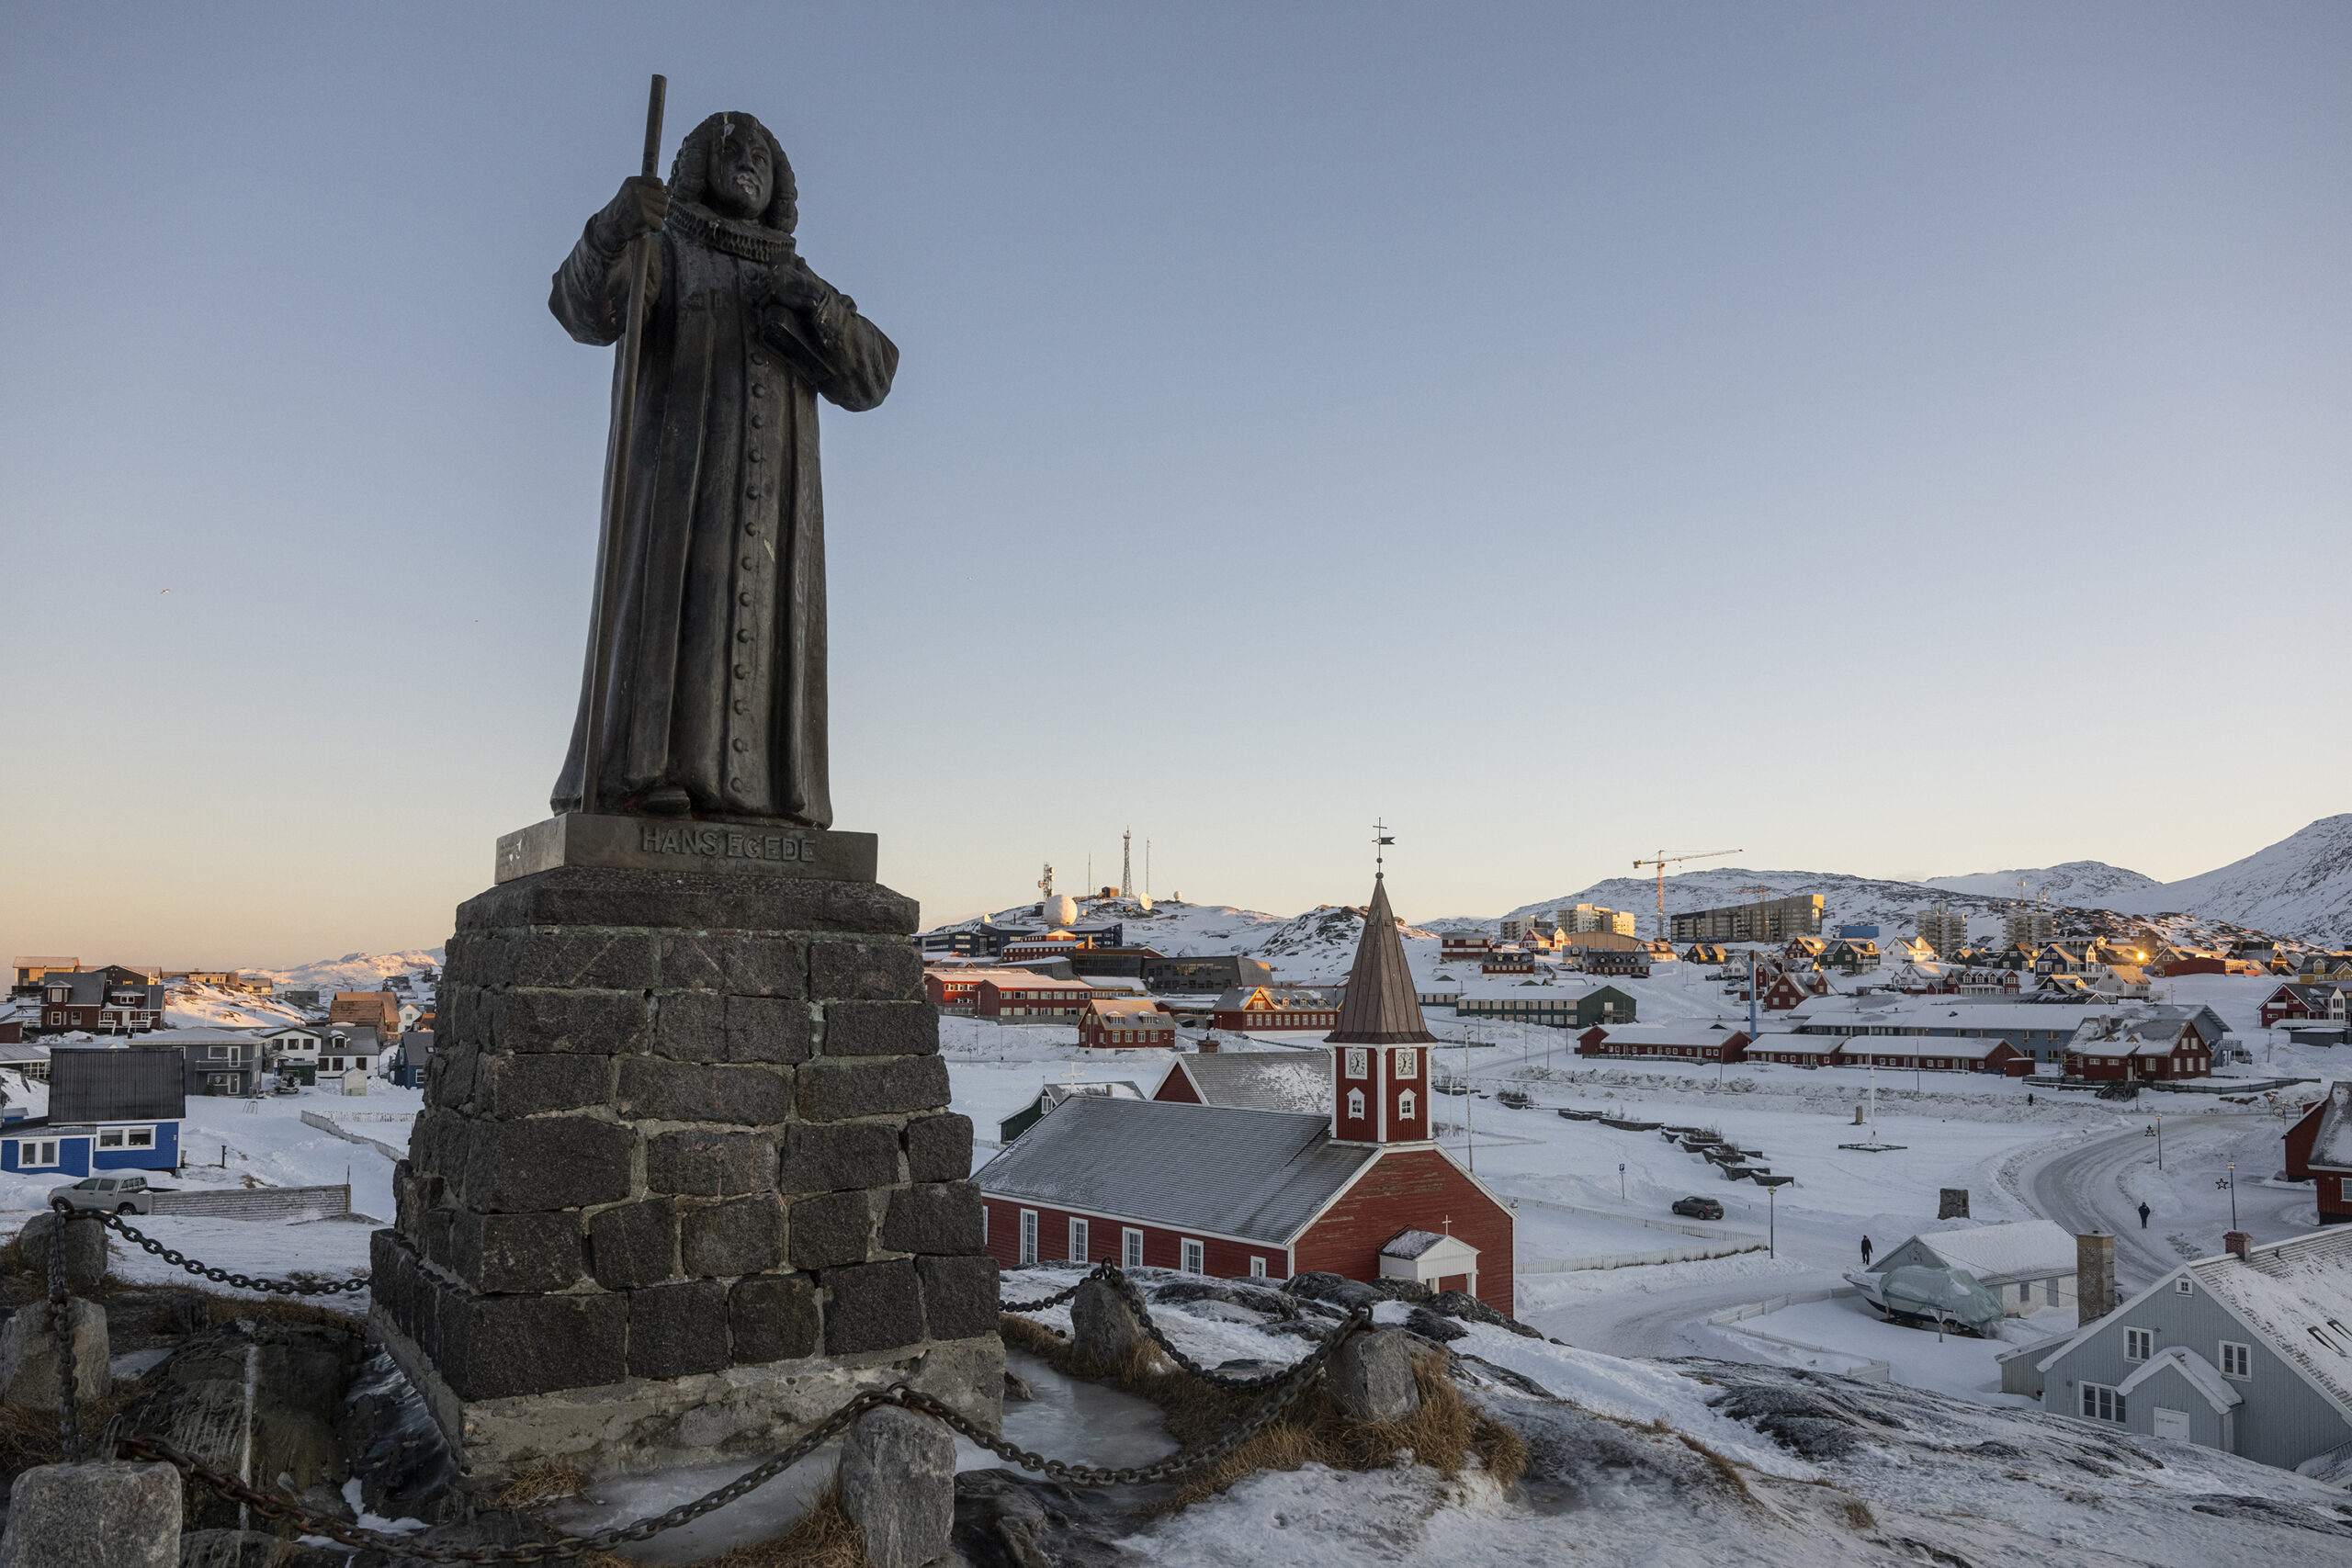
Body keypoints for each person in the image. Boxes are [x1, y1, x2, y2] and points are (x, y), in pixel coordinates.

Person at [548, 110, 899, 825]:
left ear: (781, 186)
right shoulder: (666, 254)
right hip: (680, 491)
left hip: (775, 514)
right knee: (679, 619)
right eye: (729, 147)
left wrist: (821, 308)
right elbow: (582, 308)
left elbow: (875, 376)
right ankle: (651, 774)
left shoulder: (798, 280)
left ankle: (769, 793)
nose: (747, 159)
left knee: (766, 635)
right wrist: (613, 227)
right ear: (697, 167)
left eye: (763, 153)